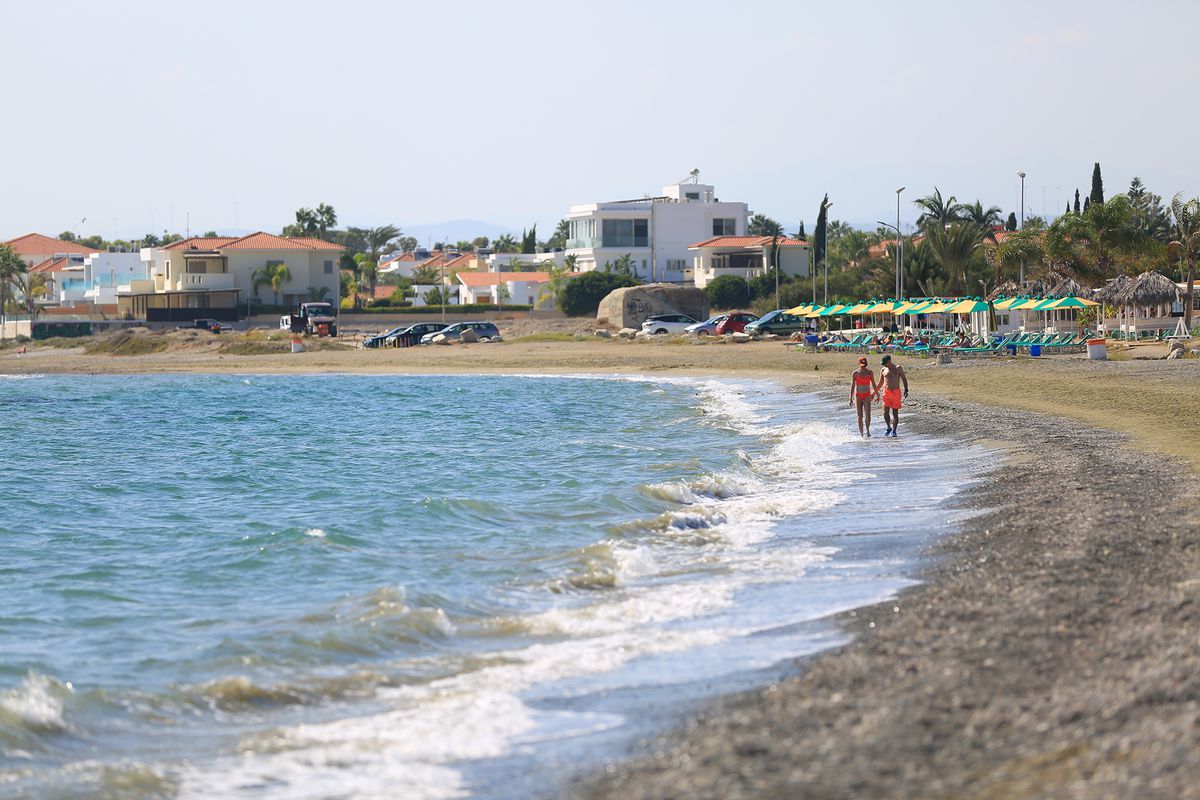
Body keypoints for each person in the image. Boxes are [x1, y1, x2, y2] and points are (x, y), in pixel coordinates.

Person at [877, 354, 909, 437]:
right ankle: (888, 427)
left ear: (889, 361)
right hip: (886, 392)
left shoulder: (898, 368)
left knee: (895, 412)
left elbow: (904, 379)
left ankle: (894, 430)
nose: (883, 364)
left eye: (885, 363)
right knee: (885, 411)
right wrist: (874, 392)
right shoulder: (883, 369)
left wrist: (906, 389)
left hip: (895, 392)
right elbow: (880, 383)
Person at [848, 356, 878, 438]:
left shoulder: (870, 372)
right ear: (859, 364)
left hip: (867, 395)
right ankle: (861, 434)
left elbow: (874, 384)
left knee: (868, 414)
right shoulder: (855, 373)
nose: (863, 366)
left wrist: (877, 394)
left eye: (864, 364)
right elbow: (852, 386)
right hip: (858, 396)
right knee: (859, 416)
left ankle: (867, 430)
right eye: (862, 364)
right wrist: (850, 398)